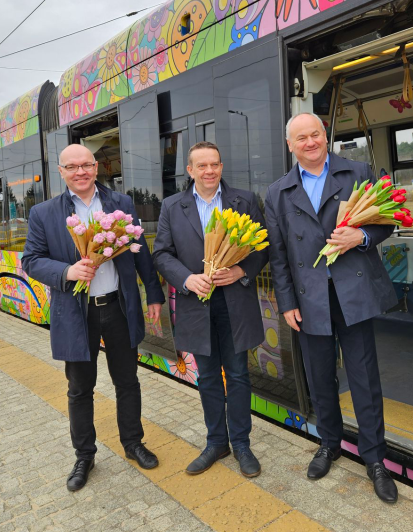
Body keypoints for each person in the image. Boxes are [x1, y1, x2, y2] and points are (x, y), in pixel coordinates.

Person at [264, 113, 399, 503]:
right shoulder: (278, 192)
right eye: (301, 138)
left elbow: (385, 221)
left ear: (326, 137)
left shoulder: (357, 171)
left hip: (352, 295)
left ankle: (375, 459)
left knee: (364, 381)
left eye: (315, 135)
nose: (310, 142)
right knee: (320, 378)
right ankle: (329, 443)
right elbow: (278, 255)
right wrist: (285, 303)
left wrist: (361, 236)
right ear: (290, 145)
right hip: (308, 300)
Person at [22, 144, 165, 491]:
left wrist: (154, 293)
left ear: (96, 167)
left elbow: (139, 248)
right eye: (72, 167)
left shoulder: (121, 203)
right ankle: (84, 455)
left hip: (117, 306)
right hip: (76, 311)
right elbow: (31, 260)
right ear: (61, 172)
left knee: (127, 381)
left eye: (86, 165)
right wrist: (68, 270)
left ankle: (133, 443)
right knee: (79, 388)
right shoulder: (44, 213)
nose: (80, 172)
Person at [153, 141, 268, 478]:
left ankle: (242, 444)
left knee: (237, 375)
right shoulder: (172, 206)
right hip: (195, 302)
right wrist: (187, 279)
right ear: (190, 170)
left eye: (214, 164)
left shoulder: (244, 200)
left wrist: (241, 271)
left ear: (221, 166)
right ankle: (216, 442)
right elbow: (161, 254)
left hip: (234, 301)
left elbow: (263, 248)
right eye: (201, 166)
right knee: (207, 378)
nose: (209, 171)